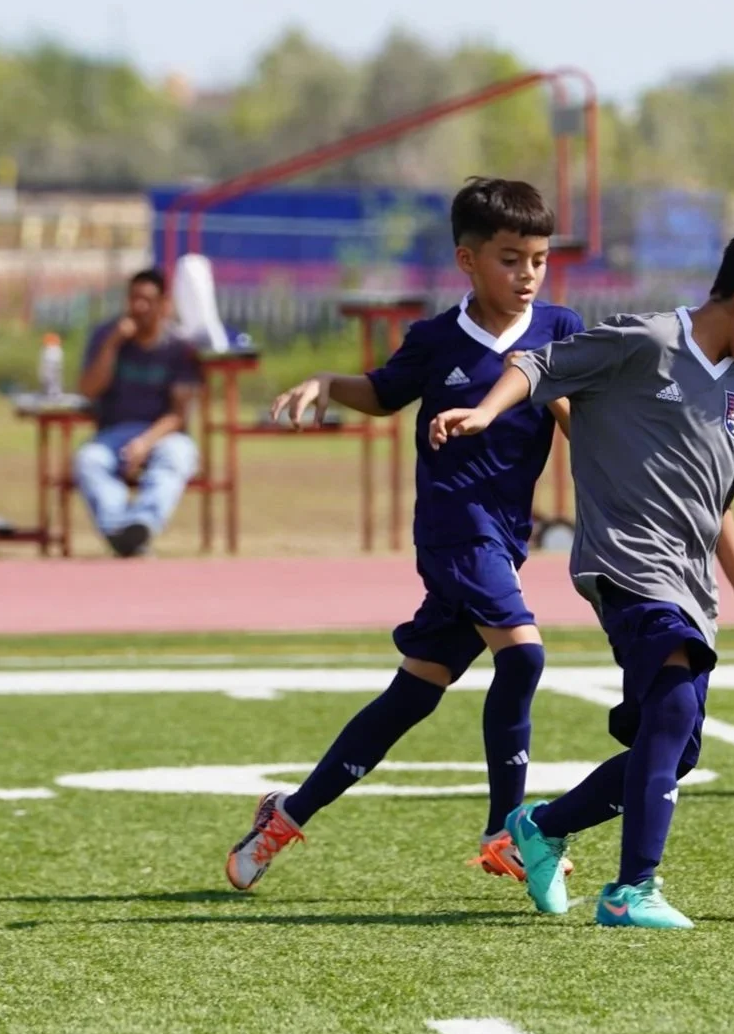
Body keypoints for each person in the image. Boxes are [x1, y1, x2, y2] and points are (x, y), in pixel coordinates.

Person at [430, 209, 734, 929]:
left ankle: (542, 827)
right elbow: (535, 364)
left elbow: (719, 493)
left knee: (671, 748)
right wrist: (489, 412)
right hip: (625, 563)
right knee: (673, 701)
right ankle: (631, 891)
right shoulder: (646, 341)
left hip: (691, 581)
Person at [226, 178, 583, 891]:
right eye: (511, 259)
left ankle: (286, 815)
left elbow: (583, 416)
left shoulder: (561, 332)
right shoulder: (435, 340)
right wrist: (329, 382)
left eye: (538, 259)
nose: (528, 275)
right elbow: (384, 393)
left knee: (412, 695)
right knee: (523, 657)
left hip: (504, 539)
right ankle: (506, 832)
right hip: (454, 530)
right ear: (468, 260)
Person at [73, 268, 202, 557]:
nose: (139, 307)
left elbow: (179, 414)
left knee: (177, 458)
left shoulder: (178, 348)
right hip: (113, 434)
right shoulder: (107, 336)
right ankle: (121, 530)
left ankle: (142, 522)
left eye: (147, 300)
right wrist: (112, 345)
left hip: (164, 434)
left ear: (164, 305)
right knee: (88, 461)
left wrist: (145, 442)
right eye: (133, 299)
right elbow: (88, 391)